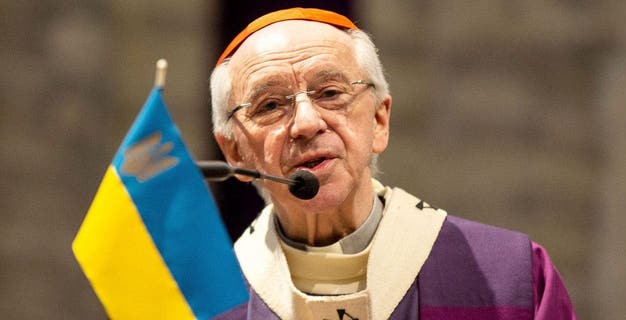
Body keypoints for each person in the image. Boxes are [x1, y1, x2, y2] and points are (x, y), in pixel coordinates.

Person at [210, 7, 577, 320]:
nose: (306, 123)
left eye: (331, 93)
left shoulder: (508, 278)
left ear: (379, 121)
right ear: (235, 153)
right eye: (271, 105)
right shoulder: (206, 304)